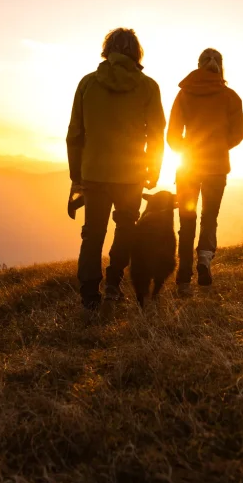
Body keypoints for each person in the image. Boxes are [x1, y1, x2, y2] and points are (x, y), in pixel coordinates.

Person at [66, 28, 166, 311]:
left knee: (93, 233)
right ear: (137, 53)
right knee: (126, 227)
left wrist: (76, 176)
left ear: (107, 50)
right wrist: (153, 168)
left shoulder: (87, 84)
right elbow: (156, 133)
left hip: (93, 173)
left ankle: (88, 296)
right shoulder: (148, 87)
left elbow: (75, 133)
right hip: (130, 174)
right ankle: (113, 283)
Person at [167, 48, 243, 294]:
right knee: (209, 217)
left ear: (199, 65)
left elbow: (172, 136)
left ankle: (183, 279)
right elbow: (238, 133)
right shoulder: (231, 97)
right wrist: (220, 147)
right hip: (217, 168)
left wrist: (187, 150)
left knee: (186, 220)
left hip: (188, 166)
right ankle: (204, 260)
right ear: (220, 67)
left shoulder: (184, 95)